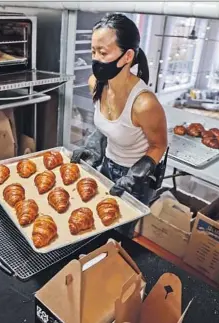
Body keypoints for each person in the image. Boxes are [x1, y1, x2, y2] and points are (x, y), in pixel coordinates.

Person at [71, 13, 168, 237]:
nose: (95, 59)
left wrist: (135, 176)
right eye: (93, 51)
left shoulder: (144, 103)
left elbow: (159, 145)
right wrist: (92, 147)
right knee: (96, 226)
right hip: (107, 165)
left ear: (127, 56)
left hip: (136, 180)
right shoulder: (95, 83)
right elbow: (108, 126)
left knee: (119, 236)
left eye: (103, 53)